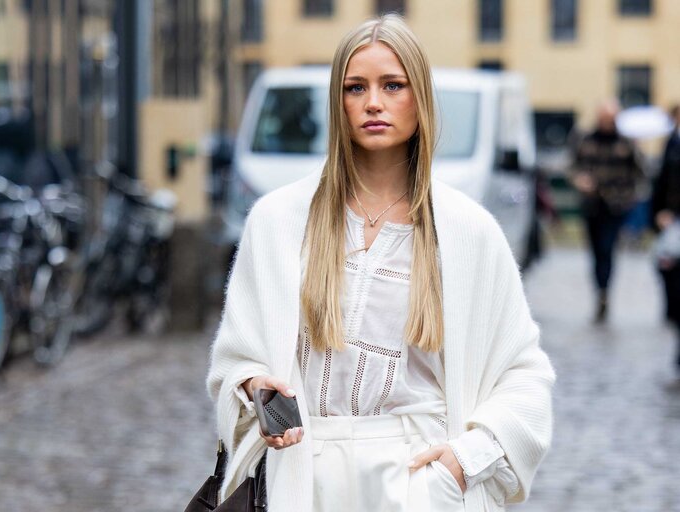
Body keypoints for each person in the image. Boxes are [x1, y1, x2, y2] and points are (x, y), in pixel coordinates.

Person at [206, 14, 555, 512]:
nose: (373, 102)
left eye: (393, 85)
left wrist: (461, 462)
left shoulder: (467, 232)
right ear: (337, 101)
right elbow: (235, 359)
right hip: (303, 480)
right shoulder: (278, 221)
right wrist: (256, 388)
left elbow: (524, 374)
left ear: (421, 98)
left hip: (419, 481)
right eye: (355, 87)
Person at [570, 99, 645, 322]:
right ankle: (600, 290)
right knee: (595, 251)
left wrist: (627, 194)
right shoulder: (585, 139)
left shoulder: (627, 142)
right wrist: (579, 180)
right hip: (592, 206)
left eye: (610, 118)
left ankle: (604, 292)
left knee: (607, 248)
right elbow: (572, 166)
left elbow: (641, 172)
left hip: (615, 206)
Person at [651, 104, 680, 376]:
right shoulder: (672, 143)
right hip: (674, 223)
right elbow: (662, 182)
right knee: (670, 274)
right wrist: (659, 213)